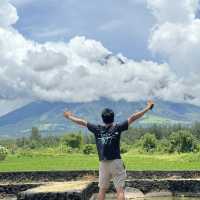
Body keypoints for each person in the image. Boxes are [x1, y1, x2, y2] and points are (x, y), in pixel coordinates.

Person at [64, 100, 154, 200]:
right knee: (120, 190)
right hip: (116, 162)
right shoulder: (117, 127)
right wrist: (147, 108)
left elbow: (82, 122)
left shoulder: (97, 129)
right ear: (113, 118)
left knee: (102, 190)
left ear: (102, 119)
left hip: (103, 163)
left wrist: (69, 116)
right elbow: (133, 117)